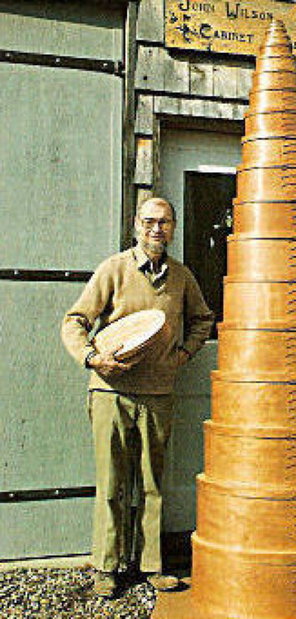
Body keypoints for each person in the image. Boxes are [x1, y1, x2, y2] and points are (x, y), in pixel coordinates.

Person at [61, 197, 214, 597]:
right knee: (111, 483)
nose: (156, 229)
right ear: (135, 225)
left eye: (164, 222)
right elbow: (75, 322)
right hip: (111, 393)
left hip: (158, 395)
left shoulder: (181, 277)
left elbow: (203, 320)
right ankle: (107, 568)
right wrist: (93, 358)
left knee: (151, 483)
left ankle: (150, 566)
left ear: (174, 227)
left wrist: (182, 355)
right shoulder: (113, 269)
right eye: (149, 221)